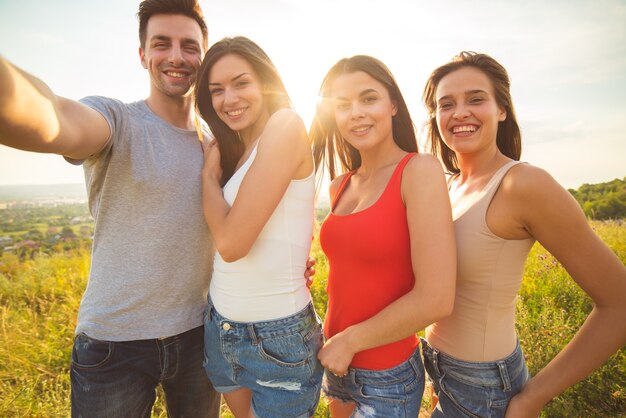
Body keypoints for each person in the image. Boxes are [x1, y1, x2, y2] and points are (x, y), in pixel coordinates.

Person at [0, 1, 221, 416]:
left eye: (189, 46)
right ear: (142, 55)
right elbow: (56, 118)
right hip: (114, 345)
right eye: (162, 44)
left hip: (198, 337)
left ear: (204, 56)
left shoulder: (216, 142)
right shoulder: (117, 120)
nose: (176, 56)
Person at [421, 51, 626, 418]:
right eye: (446, 104)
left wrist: (532, 398)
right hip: (441, 373)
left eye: (476, 99)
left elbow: (620, 304)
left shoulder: (524, 184)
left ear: (502, 109)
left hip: (483, 389)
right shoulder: (448, 186)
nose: (459, 112)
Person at [309, 55, 456, 417]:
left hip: (385, 376)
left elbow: (436, 299)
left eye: (368, 98)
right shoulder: (339, 185)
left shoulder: (418, 171)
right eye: (342, 105)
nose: (355, 112)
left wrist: (350, 341)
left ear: (392, 104)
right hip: (338, 367)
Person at [194, 36, 323, 418]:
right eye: (216, 90)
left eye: (241, 83)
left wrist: (206, 177)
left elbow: (233, 244)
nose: (228, 99)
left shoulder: (285, 124)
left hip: (276, 341)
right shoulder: (235, 149)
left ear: (266, 81)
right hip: (221, 328)